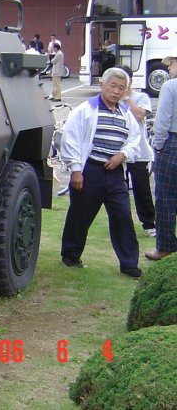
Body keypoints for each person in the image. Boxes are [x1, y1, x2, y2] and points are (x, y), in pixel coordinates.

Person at [59, 67, 142, 278]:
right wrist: (76, 170)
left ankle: (129, 263)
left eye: (121, 88)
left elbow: (135, 140)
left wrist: (122, 155)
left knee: (123, 216)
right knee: (80, 215)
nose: (116, 91)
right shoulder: (85, 110)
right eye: (112, 86)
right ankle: (70, 255)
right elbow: (71, 141)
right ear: (102, 85)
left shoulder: (126, 114)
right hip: (91, 170)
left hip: (115, 174)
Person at [119, 66, 157, 237]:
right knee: (119, 190)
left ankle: (149, 224)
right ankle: (123, 224)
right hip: (118, 152)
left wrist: (126, 98)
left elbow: (140, 115)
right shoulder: (111, 98)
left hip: (139, 152)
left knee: (142, 190)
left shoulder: (141, 97)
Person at [147, 49, 177, 261]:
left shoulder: (170, 86)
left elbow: (162, 121)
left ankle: (165, 245)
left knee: (165, 197)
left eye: (172, 62)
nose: (168, 66)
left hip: (172, 143)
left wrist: (158, 147)